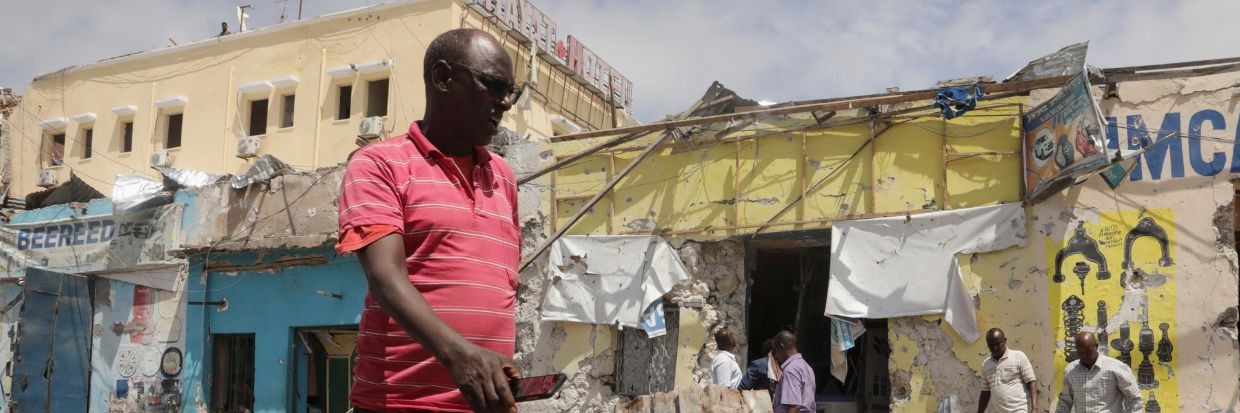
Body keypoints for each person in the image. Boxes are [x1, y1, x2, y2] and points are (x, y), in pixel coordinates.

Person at [337, 28, 525, 413]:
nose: (504, 104)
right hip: (399, 404)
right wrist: (460, 356)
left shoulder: (502, 177)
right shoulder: (379, 165)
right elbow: (386, 279)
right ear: (442, 78)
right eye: (493, 86)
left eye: (512, 92)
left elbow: (498, 290)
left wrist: (491, 364)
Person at [1055, 331, 1143, 413]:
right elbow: (1065, 401)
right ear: (1077, 351)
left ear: (1096, 346)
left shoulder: (1116, 368)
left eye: (1089, 352)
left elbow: (1134, 398)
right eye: (1081, 353)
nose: (1085, 356)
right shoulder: (1071, 371)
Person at [977, 328, 1037, 413]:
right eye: (991, 345)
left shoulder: (1019, 357)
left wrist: (1034, 409)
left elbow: (1031, 382)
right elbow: (985, 393)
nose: (995, 348)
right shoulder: (985, 365)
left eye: (998, 343)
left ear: (1005, 341)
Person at [771, 331, 816, 413]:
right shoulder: (807, 367)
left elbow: (794, 407)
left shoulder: (790, 370)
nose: (775, 356)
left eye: (775, 351)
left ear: (781, 347)